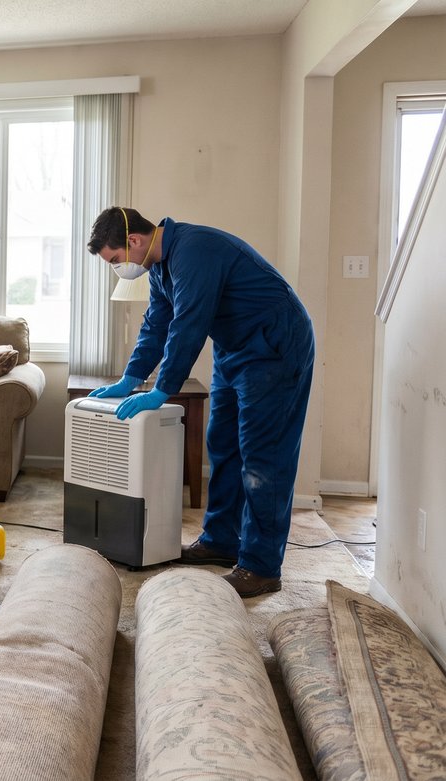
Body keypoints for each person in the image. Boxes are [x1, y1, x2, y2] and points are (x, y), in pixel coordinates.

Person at [86, 207, 314, 598]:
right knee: (223, 445)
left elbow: (188, 324)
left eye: (114, 260)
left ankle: (261, 566)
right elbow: (157, 324)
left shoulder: (195, 250)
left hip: (275, 347)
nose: (117, 268)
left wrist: (163, 389)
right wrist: (131, 377)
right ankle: (221, 540)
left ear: (135, 241)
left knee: (263, 458)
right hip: (235, 349)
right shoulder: (161, 267)